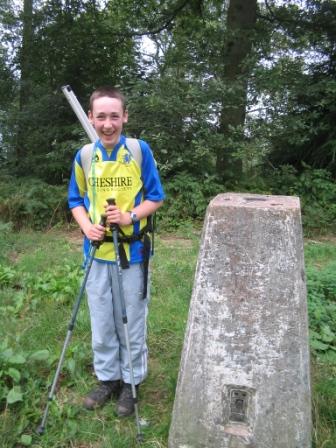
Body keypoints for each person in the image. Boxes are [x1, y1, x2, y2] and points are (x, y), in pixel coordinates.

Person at [68, 86, 164, 416]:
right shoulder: (84, 156)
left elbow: (155, 196)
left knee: (132, 321)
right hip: (96, 254)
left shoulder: (138, 151)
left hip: (133, 254)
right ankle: (108, 378)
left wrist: (129, 217)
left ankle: (132, 382)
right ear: (92, 119)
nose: (108, 124)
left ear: (124, 117)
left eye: (114, 116)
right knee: (101, 320)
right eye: (101, 117)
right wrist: (86, 226)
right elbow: (75, 201)